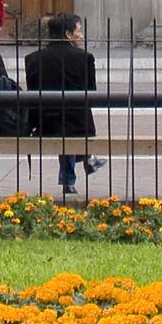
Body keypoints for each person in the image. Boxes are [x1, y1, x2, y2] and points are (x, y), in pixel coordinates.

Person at [25, 13, 104, 197]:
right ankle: (84, 159)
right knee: (69, 123)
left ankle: (77, 169)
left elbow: (32, 94)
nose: (82, 36)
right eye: (79, 31)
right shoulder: (85, 58)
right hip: (79, 126)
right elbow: (91, 92)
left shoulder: (33, 59)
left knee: (63, 123)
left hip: (46, 124)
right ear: (68, 34)